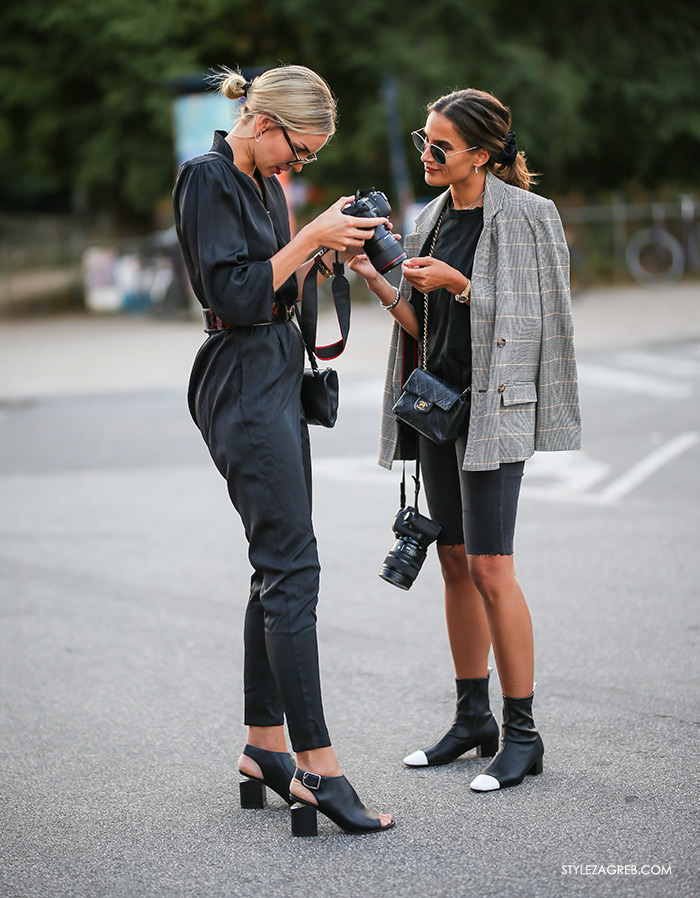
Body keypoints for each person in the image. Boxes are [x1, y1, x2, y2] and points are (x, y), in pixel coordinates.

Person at [173, 64, 394, 834]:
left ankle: (264, 748)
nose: (299, 167)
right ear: (265, 124)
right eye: (299, 151)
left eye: (310, 160)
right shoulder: (206, 178)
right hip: (237, 375)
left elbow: (275, 284)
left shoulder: (262, 181)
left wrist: (325, 254)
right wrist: (308, 236)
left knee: (276, 564)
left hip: (273, 369)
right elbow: (232, 296)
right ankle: (318, 771)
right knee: (293, 568)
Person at [349, 88, 581, 791]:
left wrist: (461, 287)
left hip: (497, 411)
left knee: (490, 569)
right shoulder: (430, 218)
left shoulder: (531, 218)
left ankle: (524, 735)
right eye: (424, 140)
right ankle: (471, 718)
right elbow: (427, 333)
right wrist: (375, 279)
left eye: (439, 146)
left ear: (481, 155)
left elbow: (541, 324)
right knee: (452, 563)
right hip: (439, 407)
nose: (426, 153)